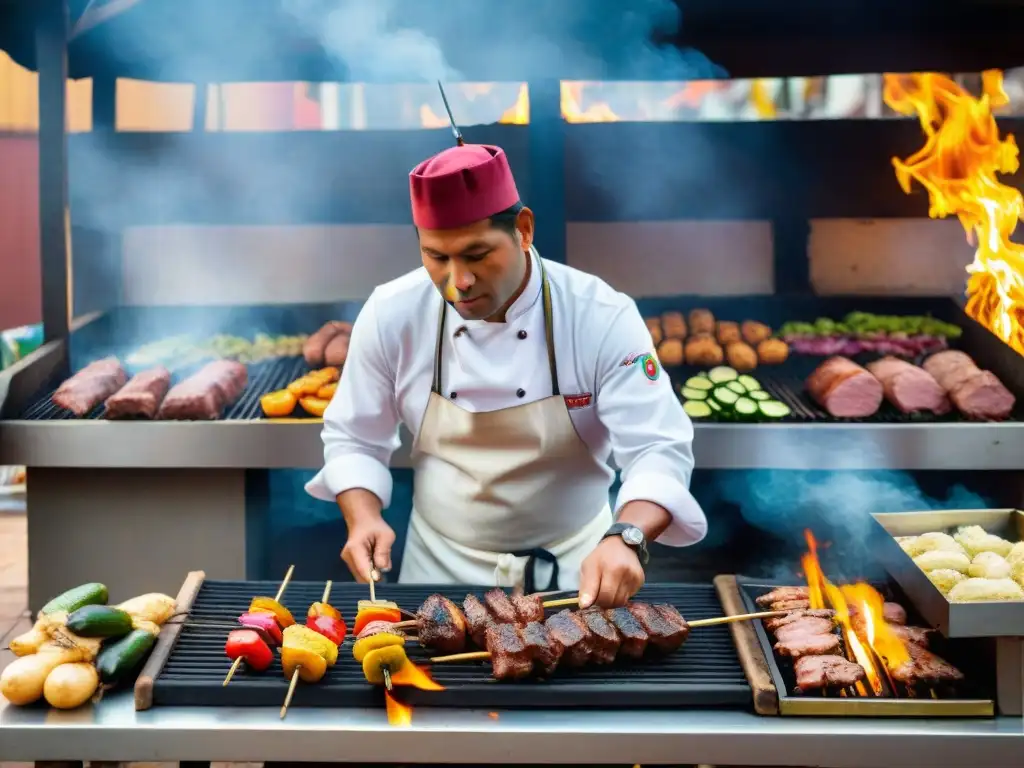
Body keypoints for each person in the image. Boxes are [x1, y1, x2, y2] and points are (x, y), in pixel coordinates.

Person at [306, 142, 706, 608]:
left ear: (523, 229)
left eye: (476, 255)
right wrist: (363, 517)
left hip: (580, 572)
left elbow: (657, 446)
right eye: (437, 257)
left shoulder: (600, 315)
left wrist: (628, 537)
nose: (459, 281)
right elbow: (353, 436)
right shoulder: (393, 312)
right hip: (436, 572)